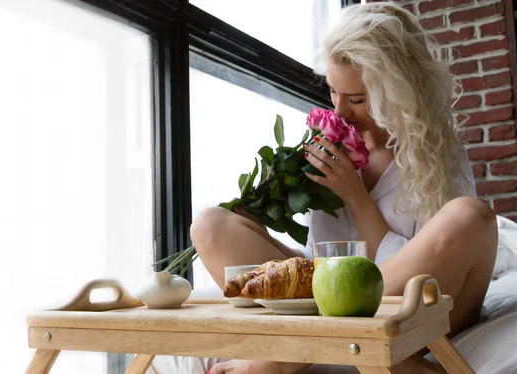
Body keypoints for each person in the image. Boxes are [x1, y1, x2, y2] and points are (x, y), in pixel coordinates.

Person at [190, 2, 498, 374]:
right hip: (330, 301)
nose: (340, 113)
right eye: (333, 93)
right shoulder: (331, 146)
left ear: (398, 91)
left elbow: (427, 279)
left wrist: (356, 197)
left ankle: (288, 356)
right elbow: (317, 267)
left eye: (357, 99)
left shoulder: (438, 155)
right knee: (210, 223)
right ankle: (321, 343)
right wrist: (264, 209)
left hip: (419, 310)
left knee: (471, 215)